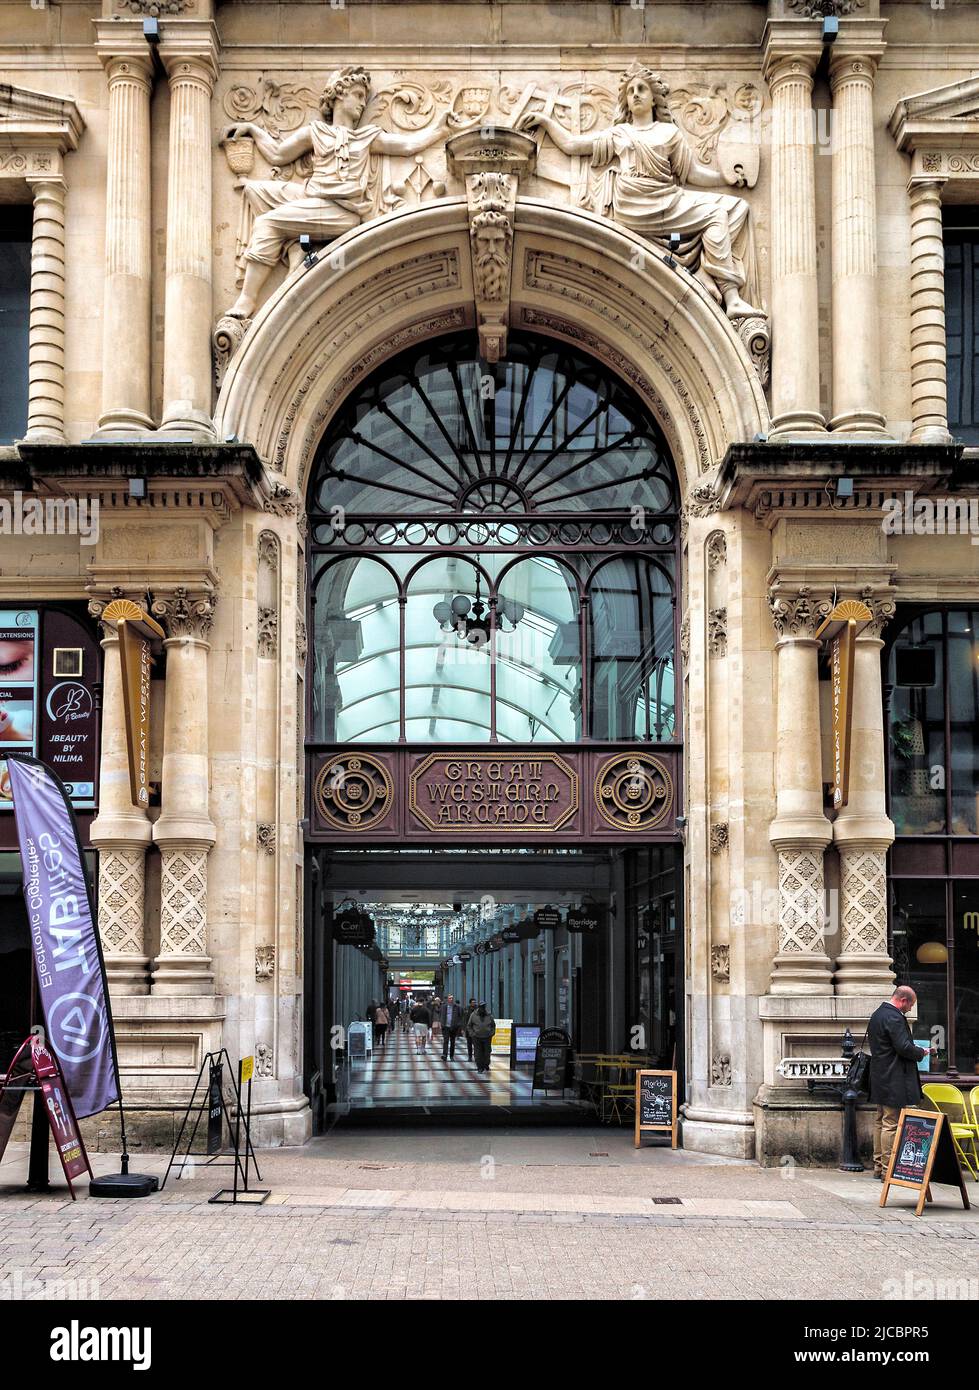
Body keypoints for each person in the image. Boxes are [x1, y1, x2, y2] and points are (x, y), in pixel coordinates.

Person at [518, 61, 761, 320]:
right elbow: (571, 144)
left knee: (737, 207)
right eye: (631, 90)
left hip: (668, 199)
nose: (635, 93)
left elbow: (691, 174)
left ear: (654, 98)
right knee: (715, 216)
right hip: (634, 203)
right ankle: (732, 297)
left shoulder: (670, 133)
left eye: (642, 89)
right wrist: (545, 121)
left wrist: (726, 179)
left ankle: (706, 273)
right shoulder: (620, 132)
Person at [223, 65, 459, 319]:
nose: (361, 103)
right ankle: (297, 246)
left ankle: (247, 300)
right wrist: (254, 130)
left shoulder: (367, 137)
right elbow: (278, 155)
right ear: (338, 96)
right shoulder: (316, 133)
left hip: (341, 210)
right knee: (256, 190)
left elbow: (408, 145)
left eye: (364, 98)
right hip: (312, 196)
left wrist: (440, 130)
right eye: (357, 95)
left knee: (266, 224)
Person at [867, 985, 934, 1180]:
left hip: (880, 1075)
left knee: (881, 1121)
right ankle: (888, 1170)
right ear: (903, 1000)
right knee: (891, 1123)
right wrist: (921, 1052)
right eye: (911, 1005)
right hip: (893, 1077)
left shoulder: (878, 1014)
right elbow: (903, 1047)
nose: (910, 1009)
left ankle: (879, 1165)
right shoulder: (894, 1017)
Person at [469, 1003, 496, 1074]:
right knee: (478, 1053)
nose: (482, 1009)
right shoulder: (473, 1015)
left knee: (487, 1053)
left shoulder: (489, 1015)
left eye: (483, 1007)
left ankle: (486, 1064)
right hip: (476, 1037)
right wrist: (472, 1034)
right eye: (481, 1007)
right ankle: (480, 1067)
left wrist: (492, 1033)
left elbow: (493, 1025)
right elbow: (469, 1026)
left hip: (487, 1037)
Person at [441, 995, 464, 1061]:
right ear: (447, 999)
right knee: (445, 1041)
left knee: (452, 1042)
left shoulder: (457, 1007)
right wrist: (442, 1024)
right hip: (446, 1027)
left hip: (453, 1027)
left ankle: (451, 1056)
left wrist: (458, 1024)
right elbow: (441, 1015)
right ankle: (444, 1055)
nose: (451, 999)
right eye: (449, 998)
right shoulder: (444, 1007)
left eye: (452, 998)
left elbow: (461, 1016)